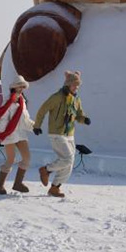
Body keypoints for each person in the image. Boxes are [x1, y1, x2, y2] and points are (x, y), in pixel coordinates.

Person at [33, 70, 91, 198]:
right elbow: (43, 110)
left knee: (69, 163)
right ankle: (45, 170)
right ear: (68, 85)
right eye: (74, 85)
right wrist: (37, 126)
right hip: (57, 133)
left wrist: (84, 119)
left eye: (78, 85)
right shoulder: (57, 97)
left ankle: (55, 187)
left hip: (69, 134)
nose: (77, 87)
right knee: (68, 159)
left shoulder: (76, 99)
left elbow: (79, 115)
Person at [0, 75, 34, 195]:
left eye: (23, 87)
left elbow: (25, 119)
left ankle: (18, 183)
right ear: (15, 87)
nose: (22, 88)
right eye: (20, 86)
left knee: (27, 158)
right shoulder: (9, 100)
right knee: (11, 159)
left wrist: (34, 127)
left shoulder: (22, 101)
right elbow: (3, 118)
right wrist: (4, 133)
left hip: (21, 133)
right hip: (10, 134)